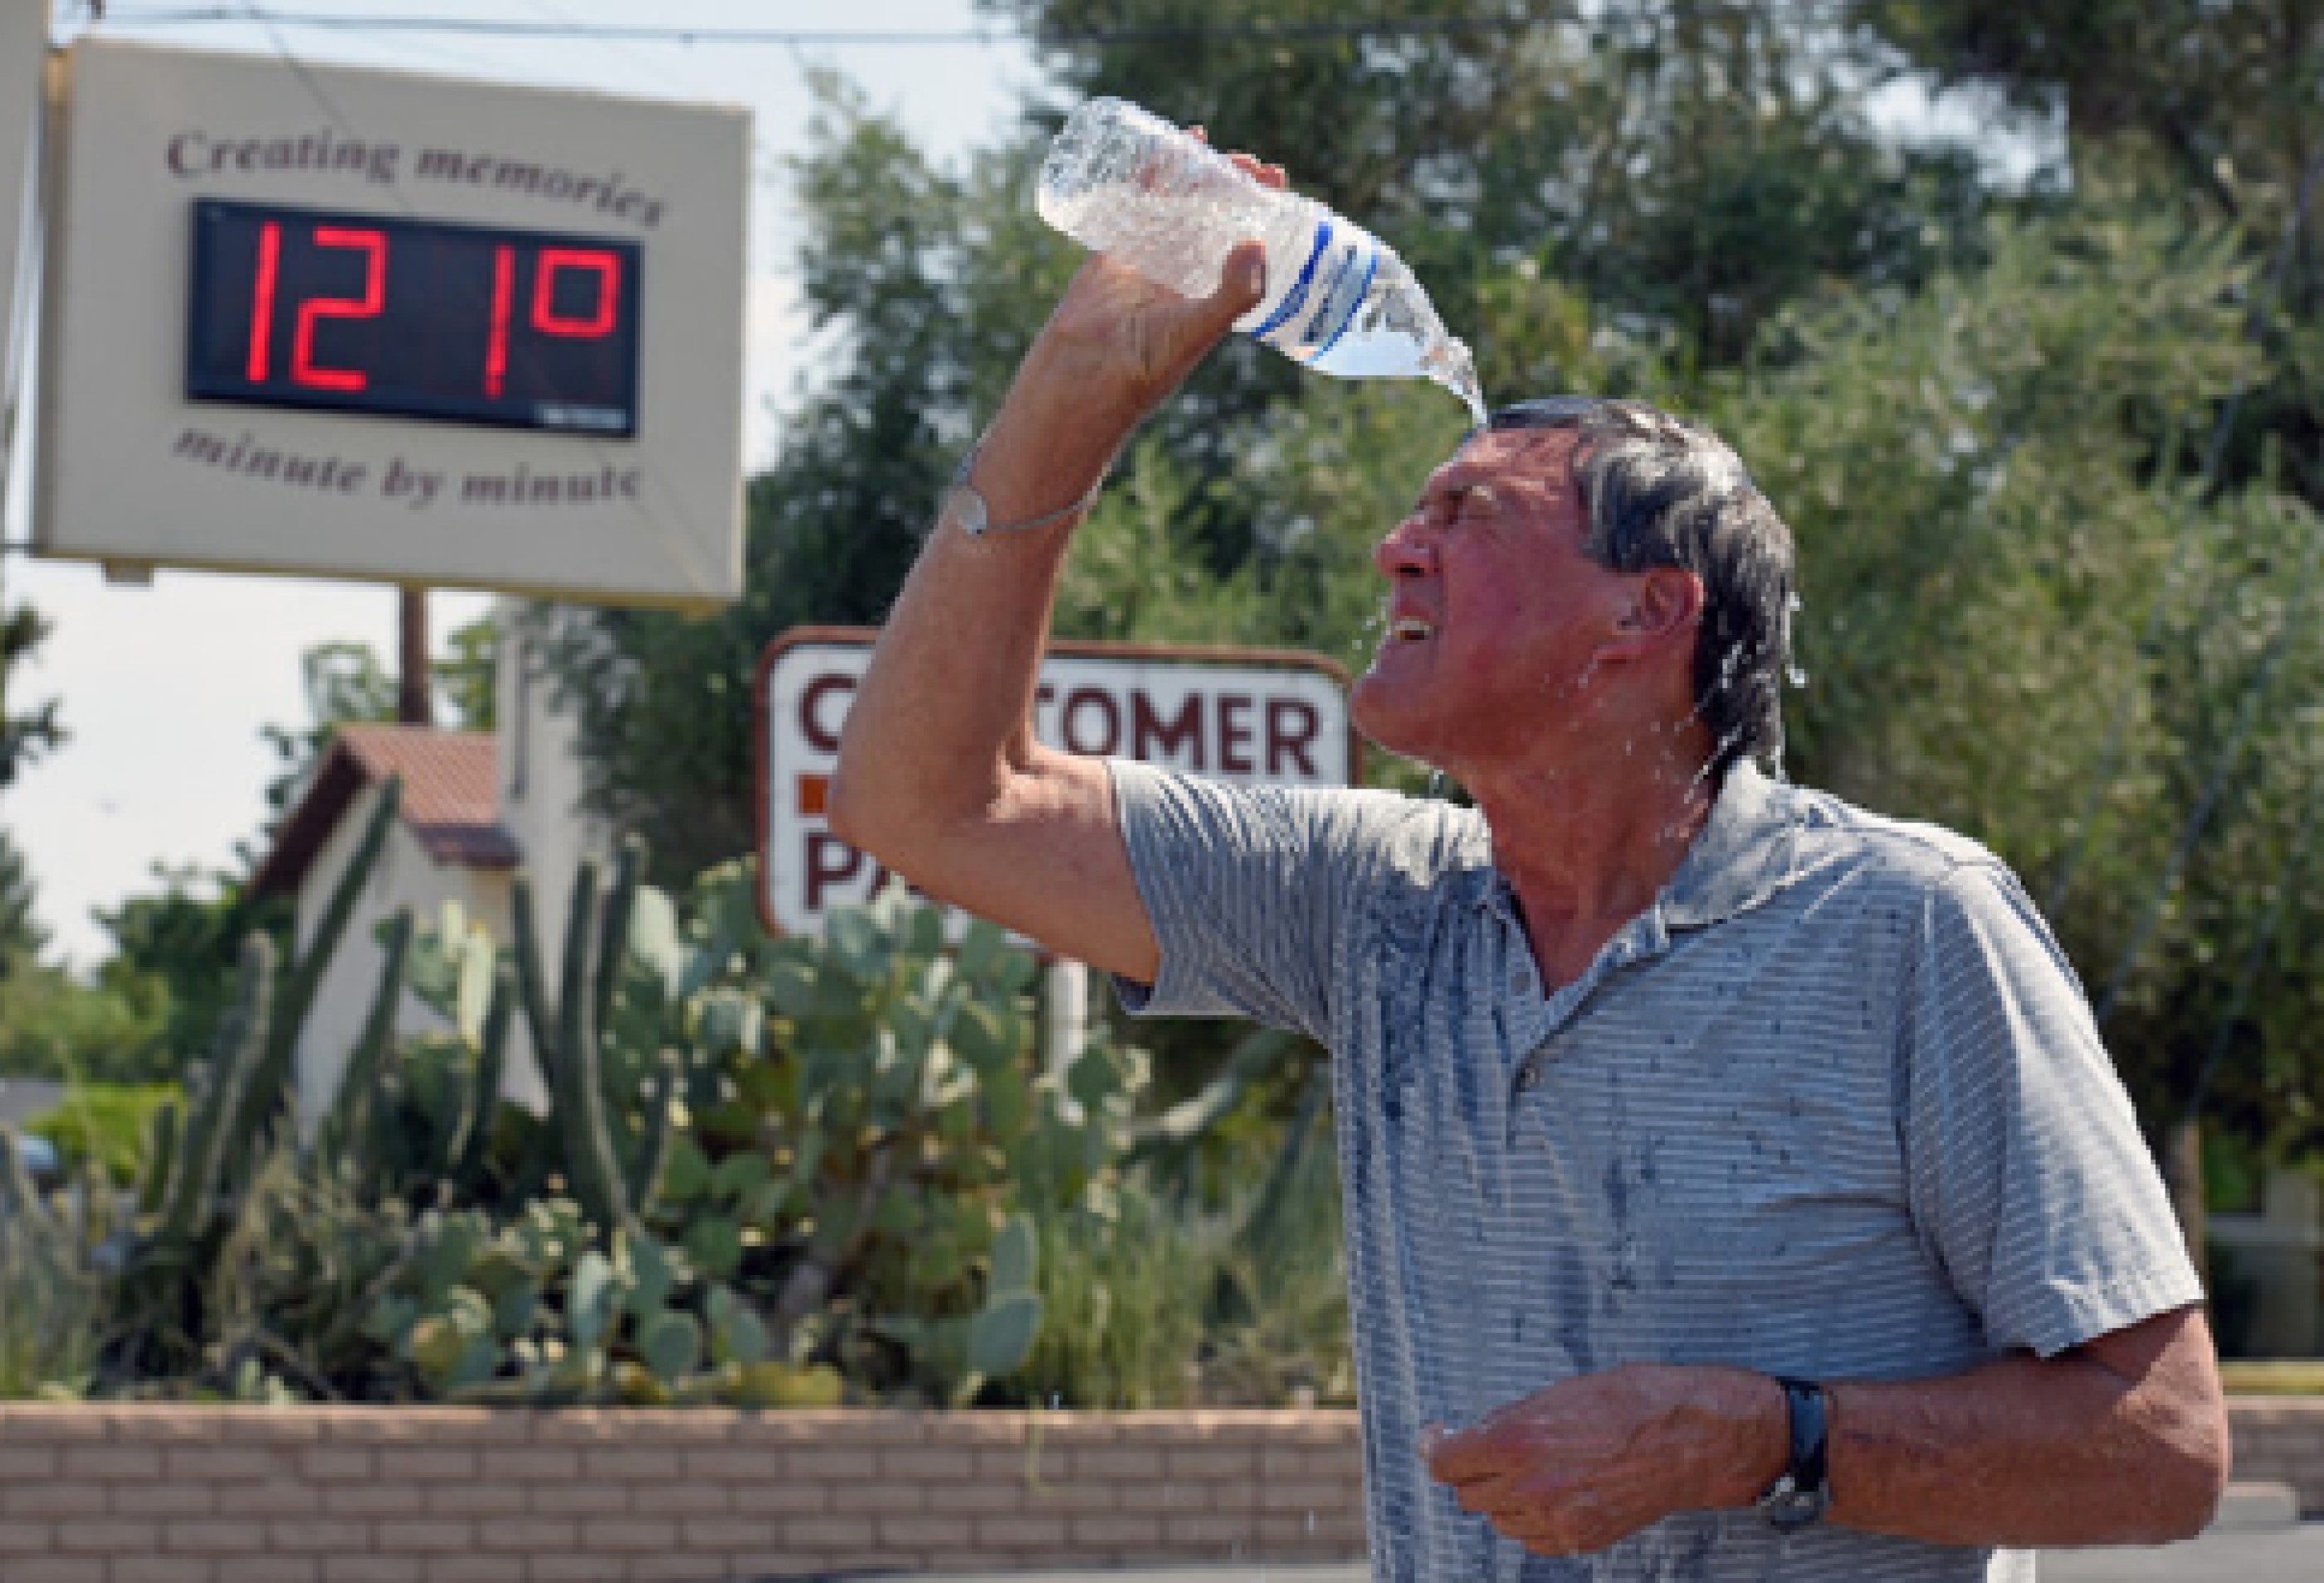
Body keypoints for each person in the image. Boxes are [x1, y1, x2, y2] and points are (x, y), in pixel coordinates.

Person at [828, 148, 2229, 1581]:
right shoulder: (1376, 906)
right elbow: (925, 803)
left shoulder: (1907, 931)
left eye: (1466, 518)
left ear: (1647, 614)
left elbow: (2164, 1448)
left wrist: (1761, 1437)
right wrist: (1078, 389)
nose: (1392, 552)